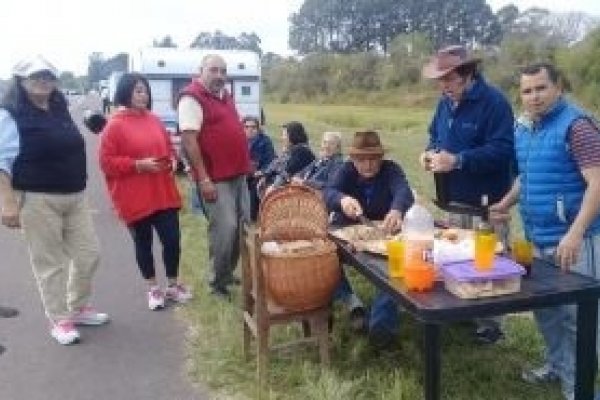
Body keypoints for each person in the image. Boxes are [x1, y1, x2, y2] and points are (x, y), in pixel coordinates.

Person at [490, 63, 600, 400]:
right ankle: (556, 366)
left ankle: (579, 389)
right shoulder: (525, 129)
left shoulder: (577, 127)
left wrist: (576, 231)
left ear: (558, 88)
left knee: (578, 321)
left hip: (575, 243)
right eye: (527, 90)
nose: (534, 96)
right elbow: (528, 176)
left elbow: (597, 181)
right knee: (546, 313)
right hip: (537, 240)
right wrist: (505, 203)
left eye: (541, 88)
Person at [0, 55, 108, 345]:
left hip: (74, 196)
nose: (44, 80)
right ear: (21, 81)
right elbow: (2, 159)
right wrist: (7, 201)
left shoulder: (59, 106)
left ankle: (77, 307)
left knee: (89, 255)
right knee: (50, 264)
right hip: (36, 198)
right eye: (36, 76)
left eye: (48, 76)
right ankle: (59, 319)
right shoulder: (10, 113)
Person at [419, 45, 515, 344]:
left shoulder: (494, 102)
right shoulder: (445, 103)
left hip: (488, 200)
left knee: (488, 262)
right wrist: (430, 153)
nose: (442, 86)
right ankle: (463, 312)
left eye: (448, 79)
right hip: (453, 196)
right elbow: (435, 135)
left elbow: (502, 150)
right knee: (457, 257)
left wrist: (458, 160)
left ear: (468, 74)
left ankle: (491, 326)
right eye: (440, 79)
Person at [99, 72, 191, 311]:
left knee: (172, 240)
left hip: (162, 192)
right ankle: (153, 288)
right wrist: (137, 165)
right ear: (125, 93)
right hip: (135, 196)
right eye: (138, 90)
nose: (144, 95)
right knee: (143, 242)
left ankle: (172, 285)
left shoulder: (154, 119)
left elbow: (168, 146)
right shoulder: (115, 125)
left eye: (145, 90)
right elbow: (107, 163)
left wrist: (172, 158)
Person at [324, 131, 414, 346]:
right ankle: (351, 301)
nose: (368, 165)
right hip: (347, 230)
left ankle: (381, 327)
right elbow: (328, 192)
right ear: (353, 160)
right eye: (362, 160)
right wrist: (342, 199)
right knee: (324, 257)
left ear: (381, 158)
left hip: (384, 230)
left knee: (393, 264)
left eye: (373, 159)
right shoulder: (345, 170)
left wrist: (397, 210)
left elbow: (403, 191)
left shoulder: (391, 170)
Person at [178, 54, 251, 299]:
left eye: (223, 71)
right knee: (224, 229)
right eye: (213, 70)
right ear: (201, 71)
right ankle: (216, 283)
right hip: (216, 177)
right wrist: (203, 179)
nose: (220, 76)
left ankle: (227, 273)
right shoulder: (192, 97)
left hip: (238, 173)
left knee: (242, 226)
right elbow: (189, 140)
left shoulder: (225, 95)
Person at [260, 121, 315, 196]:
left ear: (293, 136)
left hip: (292, 190)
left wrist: (273, 187)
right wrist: (265, 176)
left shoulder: (302, 151)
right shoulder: (292, 149)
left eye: (285, 135)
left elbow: (287, 172)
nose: (282, 138)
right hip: (284, 186)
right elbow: (275, 165)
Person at [243, 115, 275, 221]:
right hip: (243, 174)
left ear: (258, 128)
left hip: (259, 174)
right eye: (246, 127)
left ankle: (251, 215)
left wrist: (262, 172)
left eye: (253, 127)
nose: (250, 130)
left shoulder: (265, 141)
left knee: (254, 183)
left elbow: (271, 161)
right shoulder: (238, 140)